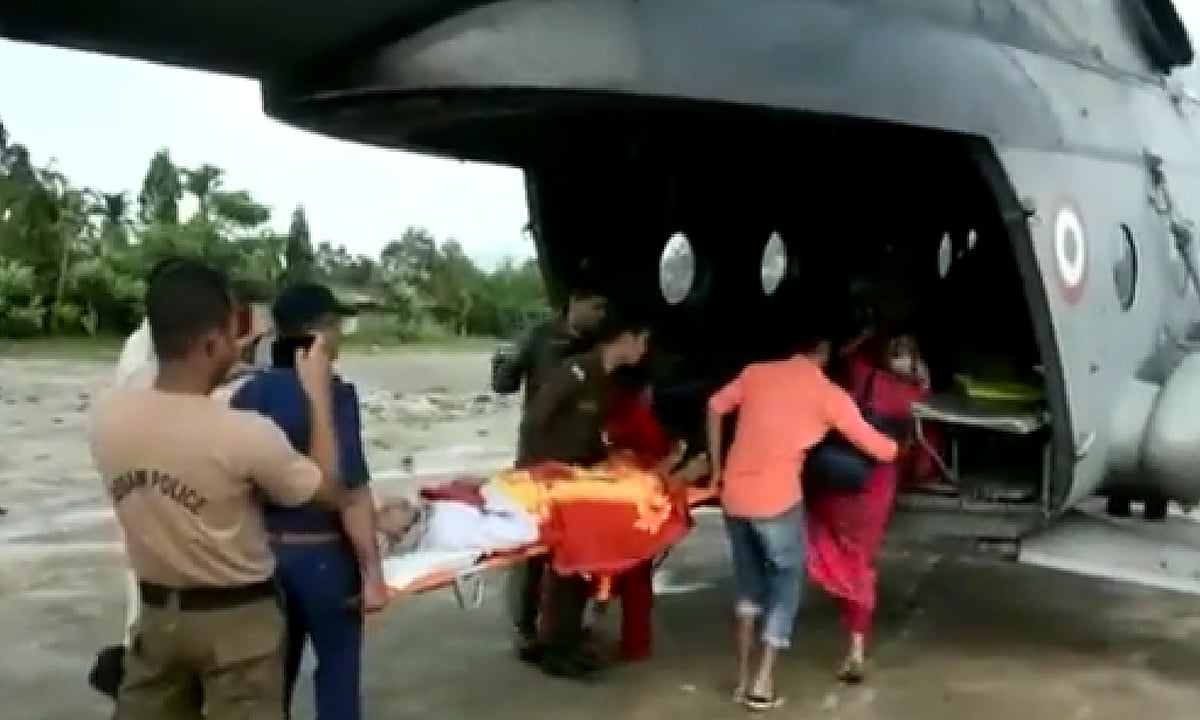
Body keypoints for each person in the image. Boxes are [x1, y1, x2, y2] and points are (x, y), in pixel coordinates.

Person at [87, 258, 344, 720]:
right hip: (238, 623)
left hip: (157, 617)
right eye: (229, 333)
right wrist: (318, 396)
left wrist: (223, 363)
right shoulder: (244, 434)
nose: (236, 343)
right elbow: (328, 490)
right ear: (211, 342)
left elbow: (170, 395)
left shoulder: (107, 418)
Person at [706, 329, 898, 711]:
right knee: (784, 586)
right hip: (777, 502)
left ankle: (741, 680)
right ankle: (763, 684)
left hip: (734, 498)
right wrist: (898, 443)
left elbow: (714, 406)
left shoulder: (755, 373)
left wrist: (716, 468)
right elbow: (881, 449)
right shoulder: (827, 394)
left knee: (748, 588)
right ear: (823, 352)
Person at [228, 282, 386, 720]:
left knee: (271, 684)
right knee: (337, 679)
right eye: (335, 326)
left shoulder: (248, 396)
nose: (340, 337)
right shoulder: (335, 396)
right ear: (316, 333)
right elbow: (350, 494)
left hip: (265, 558)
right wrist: (373, 573)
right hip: (323, 559)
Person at [519, 309, 652, 679]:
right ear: (625, 338)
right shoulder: (577, 371)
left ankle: (566, 639)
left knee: (577, 566)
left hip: (580, 484)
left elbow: (592, 435)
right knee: (561, 568)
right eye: (642, 342)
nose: (644, 350)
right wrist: (542, 475)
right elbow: (535, 421)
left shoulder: (606, 382)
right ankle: (554, 647)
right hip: (554, 484)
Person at [491, 284, 607, 662]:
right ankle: (524, 629)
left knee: (574, 552)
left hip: (580, 466)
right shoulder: (538, 338)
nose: (599, 315)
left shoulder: (597, 344)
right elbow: (504, 384)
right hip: (540, 463)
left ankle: (563, 631)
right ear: (574, 301)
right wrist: (504, 364)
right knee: (533, 551)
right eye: (595, 305)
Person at [806, 332, 931, 684]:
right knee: (860, 562)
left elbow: (845, 355)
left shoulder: (863, 376)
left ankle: (846, 627)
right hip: (875, 485)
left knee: (824, 541)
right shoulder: (918, 398)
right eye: (900, 353)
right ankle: (856, 646)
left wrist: (866, 332)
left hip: (833, 478)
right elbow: (922, 461)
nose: (903, 360)